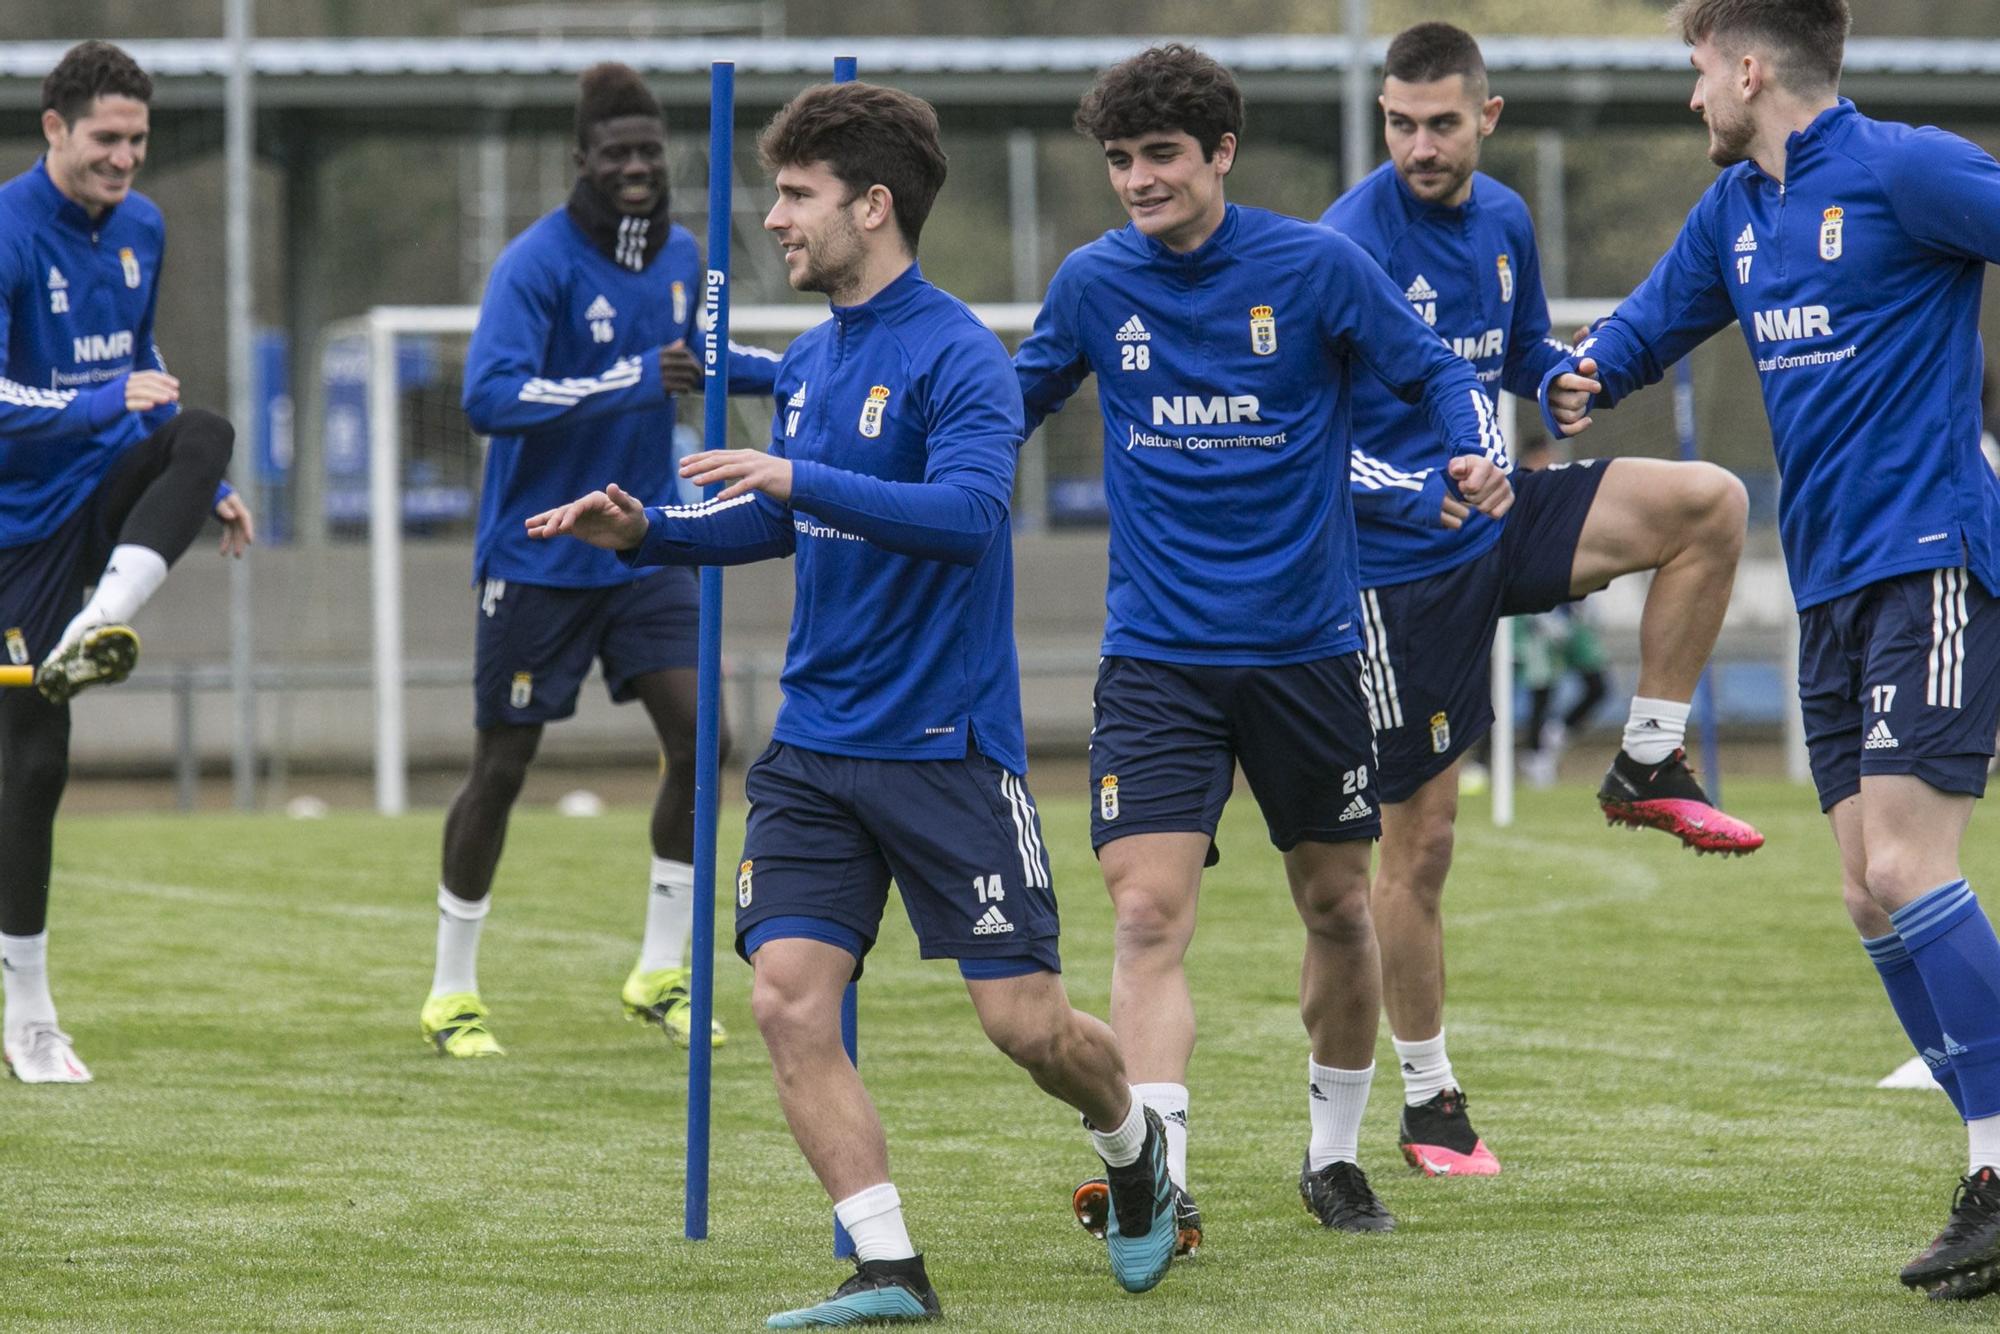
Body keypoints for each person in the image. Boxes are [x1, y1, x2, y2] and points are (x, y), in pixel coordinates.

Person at [529, 80, 1179, 1323]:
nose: (773, 219)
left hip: (946, 748)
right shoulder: (814, 360)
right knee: (783, 997)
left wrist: (800, 469)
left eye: (795, 195)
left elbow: (968, 515)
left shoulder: (960, 358)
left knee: (1025, 1025)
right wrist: (648, 530)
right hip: (814, 748)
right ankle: (888, 1266)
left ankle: (1130, 1137)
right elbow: (781, 513)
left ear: (870, 207)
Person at [1014, 43, 1515, 1242]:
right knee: (1143, 914)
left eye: (1161, 156)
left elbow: (1436, 373)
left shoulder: (1315, 267)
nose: (1137, 179)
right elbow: (1001, 401)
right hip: (1157, 656)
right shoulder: (1091, 283)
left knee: (1339, 907)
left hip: (1305, 652)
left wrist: (1467, 445)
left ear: (1220, 153)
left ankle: (1332, 1156)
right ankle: (1159, 1178)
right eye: (1121, 159)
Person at [1543, 0, 2000, 1301]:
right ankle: (1987, 1167)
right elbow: (1651, 321)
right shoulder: (1733, 211)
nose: (1692, 98)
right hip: (1830, 590)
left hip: (1931, 561)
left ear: (1749, 68)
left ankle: (1998, 1161)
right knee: (1866, 890)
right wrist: (1582, 373)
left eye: (1697, 70)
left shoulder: (1906, 170)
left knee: (1913, 865)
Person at [1322, 21, 1762, 1176]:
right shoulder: (1345, 242)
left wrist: (1556, 377)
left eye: (1440, 123)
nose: (1419, 145)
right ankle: (1428, 1103)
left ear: (1486, 116)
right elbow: (1307, 436)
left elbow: (1513, 352)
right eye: (1399, 123)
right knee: (1420, 850)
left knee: (1708, 504)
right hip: (1395, 569)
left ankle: (1648, 758)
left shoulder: (1505, 220)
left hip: (1500, 513)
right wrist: (1421, 490)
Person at [420, 64, 780, 1059]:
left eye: (648, 152)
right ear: (581, 159)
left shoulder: (685, 254)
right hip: (538, 553)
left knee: (702, 738)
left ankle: (659, 969)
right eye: (614, 151)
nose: (634, 168)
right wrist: (626, 380)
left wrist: (749, 377)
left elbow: (700, 363)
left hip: (644, 537)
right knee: (503, 766)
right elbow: (489, 398)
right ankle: (453, 990)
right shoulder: (535, 265)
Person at [0, 41, 252, 1085]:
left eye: (139, 140)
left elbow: (142, 360)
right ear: (53, 128)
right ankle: (29, 1012)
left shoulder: (144, 227)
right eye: (107, 138)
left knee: (205, 430)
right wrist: (110, 405)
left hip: (95, 507)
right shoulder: (8, 233)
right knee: (33, 762)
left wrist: (195, 480)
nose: (126, 158)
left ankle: (96, 624)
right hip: (14, 532)